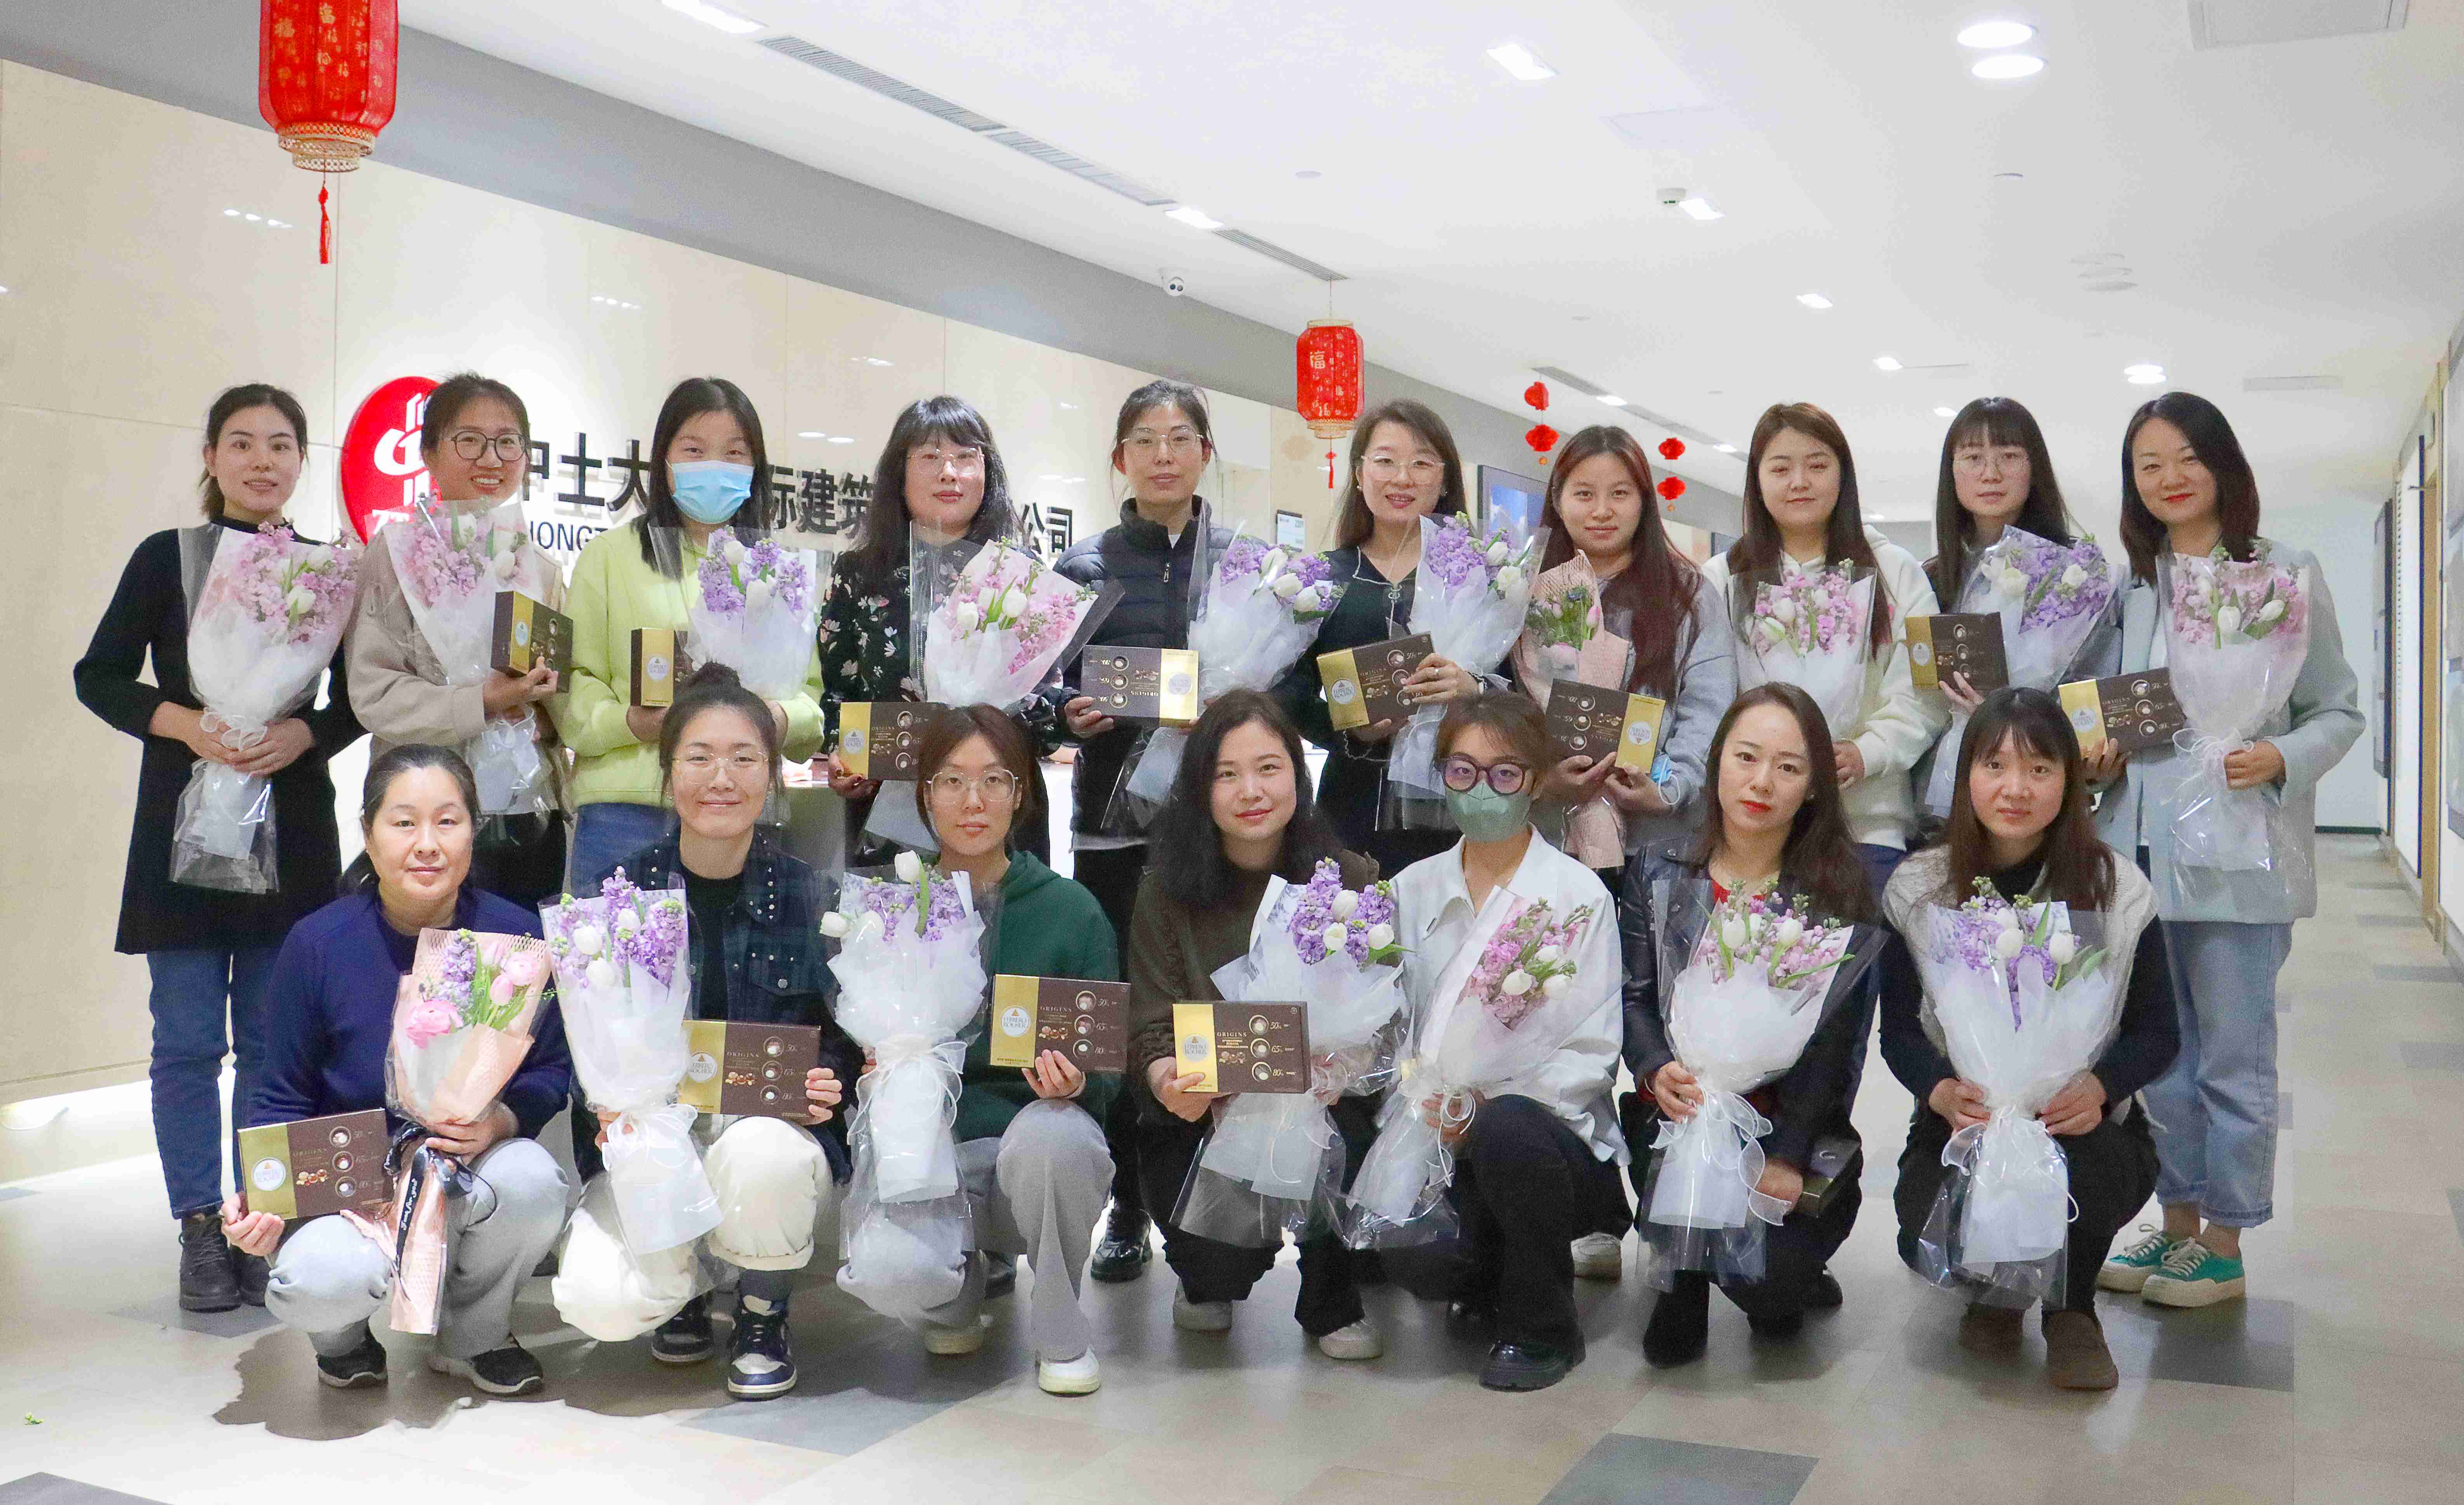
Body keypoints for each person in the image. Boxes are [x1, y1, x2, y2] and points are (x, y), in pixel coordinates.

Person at [74, 383, 364, 1314]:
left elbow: (360, 698)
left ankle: (262, 1219)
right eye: (241, 443)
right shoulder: (166, 558)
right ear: (210, 458)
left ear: (302, 461)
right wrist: (186, 725)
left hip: (292, 827)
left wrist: (304, 733)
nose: (262, 461)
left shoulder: (330, 570)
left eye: (281, 445)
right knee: (189, 1041)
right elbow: (98, 676)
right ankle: (200, 1223)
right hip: (184, 828)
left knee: (277, 1045)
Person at [2086, 393, 2360, 1307]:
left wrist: (2281, 757)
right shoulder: (2132, 588)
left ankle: (2226, 1240)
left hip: (2239, 855)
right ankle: (2175, 1225)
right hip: (2139, 857)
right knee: (2160, 1060)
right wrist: (2095, 754)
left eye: (2185, 458)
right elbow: (2108, 709)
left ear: (2222, 464)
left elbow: (2337, 709)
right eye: (2147, 465)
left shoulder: (2283, 572)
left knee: (2232, 1060)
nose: (2168, 478)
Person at [222, 745, 571, 1396]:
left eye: (448, 821)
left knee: (533, 1181)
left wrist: (501, 1120)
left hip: (461, 1169)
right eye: (404, 822)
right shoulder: (317, 944)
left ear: (473, 830)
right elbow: (279, 1092)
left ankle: (475, 1334)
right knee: (317, 1282)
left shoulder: (515, 936)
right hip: (349, 1183)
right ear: (369, 833)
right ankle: (342, 1339)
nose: (427, 844)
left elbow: (552, 1069)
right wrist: (259, 1194)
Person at [550, 664, 856, 1399]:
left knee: (762, 1154)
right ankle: (683, 1286)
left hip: (766, 1134)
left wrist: (830, 1079)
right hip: (654, 1139)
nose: (722, 778)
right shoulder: (615, 897)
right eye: (699, 757)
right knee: (598, 1300)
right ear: (668, 774)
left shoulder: (812, 895)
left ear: (771, 776)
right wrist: (602, 1104)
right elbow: (574, 1039)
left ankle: (762, 1309)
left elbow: (845, 1033)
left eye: (744, 758)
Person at [1881, 687, 2181, 1389]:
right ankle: (1997, 1290)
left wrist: (2101, 1086)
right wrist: (1939, 1089)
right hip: (1968, 1118)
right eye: (1994, 766)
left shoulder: (2116, 889)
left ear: (2069, 780)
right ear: (1965, 776)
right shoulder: (1920, 887)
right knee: (1921, 1220)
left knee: (2087, 1173)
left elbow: (2159, 1030)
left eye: (2039, 769)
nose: (2015, 788)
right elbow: (1896, 1029)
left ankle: (2071, 1308)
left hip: (2078, 1123)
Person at [845, 705, 1119, 1396]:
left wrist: (1077, 1083)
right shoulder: (890, 908)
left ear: (1021, 793)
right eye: (952, 781)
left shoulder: (1071, 909)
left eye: (994, 780)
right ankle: (950, 1298)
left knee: (1058, 1139)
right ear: (924, 794)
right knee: (888, 1271)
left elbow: (1109, 1067)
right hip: (930, 1146)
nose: (973, 801)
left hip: (1031, 1145)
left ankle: (1060, 1326)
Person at [1621, 684, 1878, 1366]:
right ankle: (1681, 1276)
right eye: (1746, 757)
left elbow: (1835, 1049)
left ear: (1814, 786)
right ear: (1717, 763)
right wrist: (1654, 1066)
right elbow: (1634, 997)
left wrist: (1789, 1154)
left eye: (1788, 767)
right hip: (1681, 1109)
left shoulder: (1839, 892)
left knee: (1772, 1292)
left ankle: (1780, 1266)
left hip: (1781, 1121)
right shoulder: (1660, 870)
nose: (1762, 781)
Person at [1125, 690, 1384, 1358]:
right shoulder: (1165, 890)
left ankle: (1331, 1295)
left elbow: (1384, 1015)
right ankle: (1205, 1273)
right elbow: (1151, 1026)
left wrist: (1343, 1065)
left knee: (1351, 1126)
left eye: (1269, 768)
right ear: (1198, 787)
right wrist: (1168, 1079)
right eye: (1226, 773)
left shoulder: (1348, 877)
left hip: (1321, 1105)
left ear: (1298, 774)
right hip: (1207, 1113)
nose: (1251, 791)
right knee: (1216, 1269)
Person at [1378, 692, 1626, 1391]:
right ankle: (1483, 1272)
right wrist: (1421, 1098)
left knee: (1508, 1131)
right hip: (1433, 1131)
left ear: (1537, 780)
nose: (1481, 789)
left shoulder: (1577, 894)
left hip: (1547, 1142)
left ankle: (1543, 1327)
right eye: (1462, 771)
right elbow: (1389, 1024)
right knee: (1418, 1260)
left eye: (1504, 773)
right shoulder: (1410, 889)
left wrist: (1483, 1110)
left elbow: (1592, 1048)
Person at [1052, 379, 1236, 1284]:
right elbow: (1035, 681)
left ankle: (1215, 1196)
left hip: (1217, 826)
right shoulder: (1082, 567)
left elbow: (1282, 688)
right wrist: (1064, 711)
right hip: (1110, 833)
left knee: (1208, 1007)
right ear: (1119, 458)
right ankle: (1127, 1203)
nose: (1163, 455)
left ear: (1205, 452)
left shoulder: (1243, 568)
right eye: (1145, 440)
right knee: (1123, 1015)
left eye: (1180, 437)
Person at [557, 376, 828, 894]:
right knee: (615, 949)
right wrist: (633, 723)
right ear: (663, 460)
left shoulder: (777, 570)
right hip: (627, 813)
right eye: (694, 450)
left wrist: (772, 719)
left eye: (734, 453)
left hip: (741, 810)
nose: (715, 467)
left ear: (756, 467)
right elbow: (573, 682)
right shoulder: (609, 557)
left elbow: (810, 700)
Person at [1701, 402, 1945, 899]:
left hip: (1865, 826)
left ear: (1843, 475)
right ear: (1757, 480)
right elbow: (1706, 693)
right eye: (1780, 468)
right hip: (1752, 833)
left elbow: (1926, 689)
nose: (1800, 482)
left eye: (1817, 465)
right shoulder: (1723, 576)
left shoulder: (1898, 572)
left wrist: (1867, 752)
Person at [348, 372, 568, 909]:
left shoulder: (541, 568)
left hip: (529, 812)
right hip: (426, 816)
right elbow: (375, 693)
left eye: (508, 442)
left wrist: (546, 713)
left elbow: (563, 697)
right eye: (469, 440)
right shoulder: (393, 555)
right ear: (428, 452)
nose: (491, 458)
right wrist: (482, 702)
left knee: (524, 956)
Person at [816, 395, 1058, 865]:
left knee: (1000, 912)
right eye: (929, 457)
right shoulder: (859, 573)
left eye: (966, 456)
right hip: (887, 814)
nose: (949, 473)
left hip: (997, 810)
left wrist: (1059, 721)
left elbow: (1044, 702)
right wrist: (845, 754)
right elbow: (838, 695)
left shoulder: (1019, 572)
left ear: (987, 472)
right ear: (899, 473)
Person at [1275, 399, 1490, 879]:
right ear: (1359, 474)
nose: (1402, 478)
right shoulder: (1321, 580)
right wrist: (1350, 729)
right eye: (1386, 461)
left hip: (1457, 807)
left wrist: (1472, 689)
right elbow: (1287, 696)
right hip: (1348, 810)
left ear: (1445, 479)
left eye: (1422, 463)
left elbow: (1519, 696)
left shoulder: (1481, 579)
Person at [1511, 423, 1734, 884]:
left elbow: (1709, 706)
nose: (1602, 511)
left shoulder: (1688, 594)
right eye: (1584, 494)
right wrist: (1539, 777)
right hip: (1546, 834)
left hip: (1657, 841)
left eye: (1620, 493)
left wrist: (1671, 789)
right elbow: (1502, 701)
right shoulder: (1521, 589)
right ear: (1558, 499)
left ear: (1644, 502)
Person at [1911, 397, 2117, 827]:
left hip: (2039, 795)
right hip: (1935, 800)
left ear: (2034, 467)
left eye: (2009, 456)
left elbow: (2094, 686)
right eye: (1973, 458)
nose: (1991, 473)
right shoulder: (1928, 580)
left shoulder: (2076, 575)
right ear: (1952, 471)